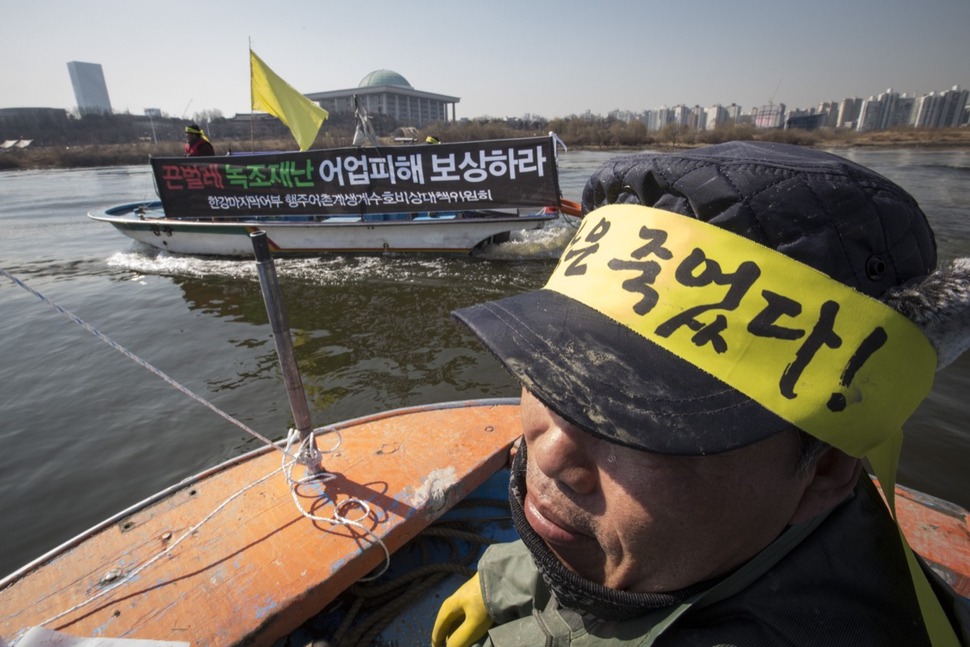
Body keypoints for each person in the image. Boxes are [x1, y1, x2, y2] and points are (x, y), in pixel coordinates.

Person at [433, 141, 970, 646]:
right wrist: (510, 576)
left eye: (639, 425)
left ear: (825, 469)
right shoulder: (710, 535)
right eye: (550, 371)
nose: (547, 453)